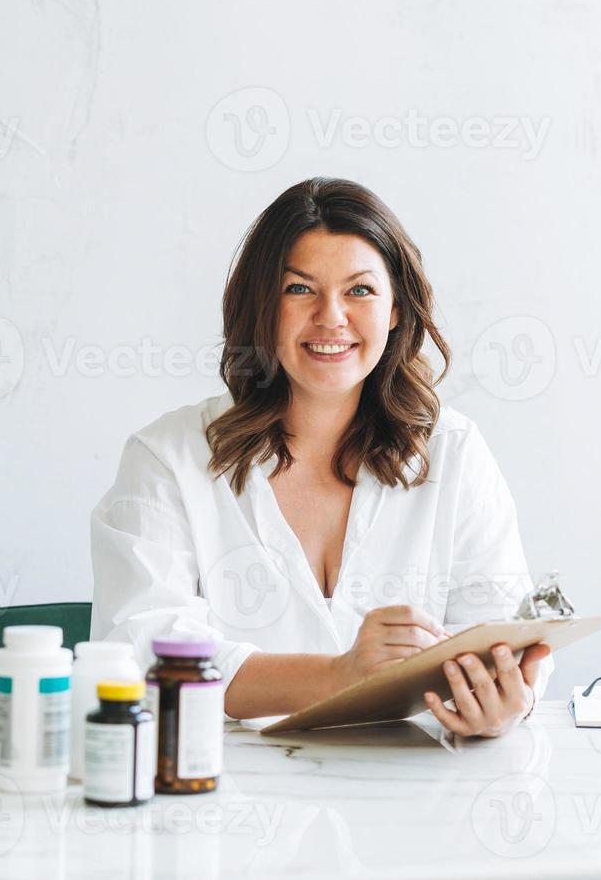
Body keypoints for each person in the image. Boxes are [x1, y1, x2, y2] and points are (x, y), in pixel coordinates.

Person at [90, 178, 551, 738]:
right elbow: (142, 657)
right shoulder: (168, 459)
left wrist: (503, 701)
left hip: (412, 801)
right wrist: (340, 676)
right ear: (261, 306)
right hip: (222, 802)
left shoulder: (453, 452)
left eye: (359, 291)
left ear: (396, 310)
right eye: (299, 289)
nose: (332, 317)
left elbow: (505, 628)